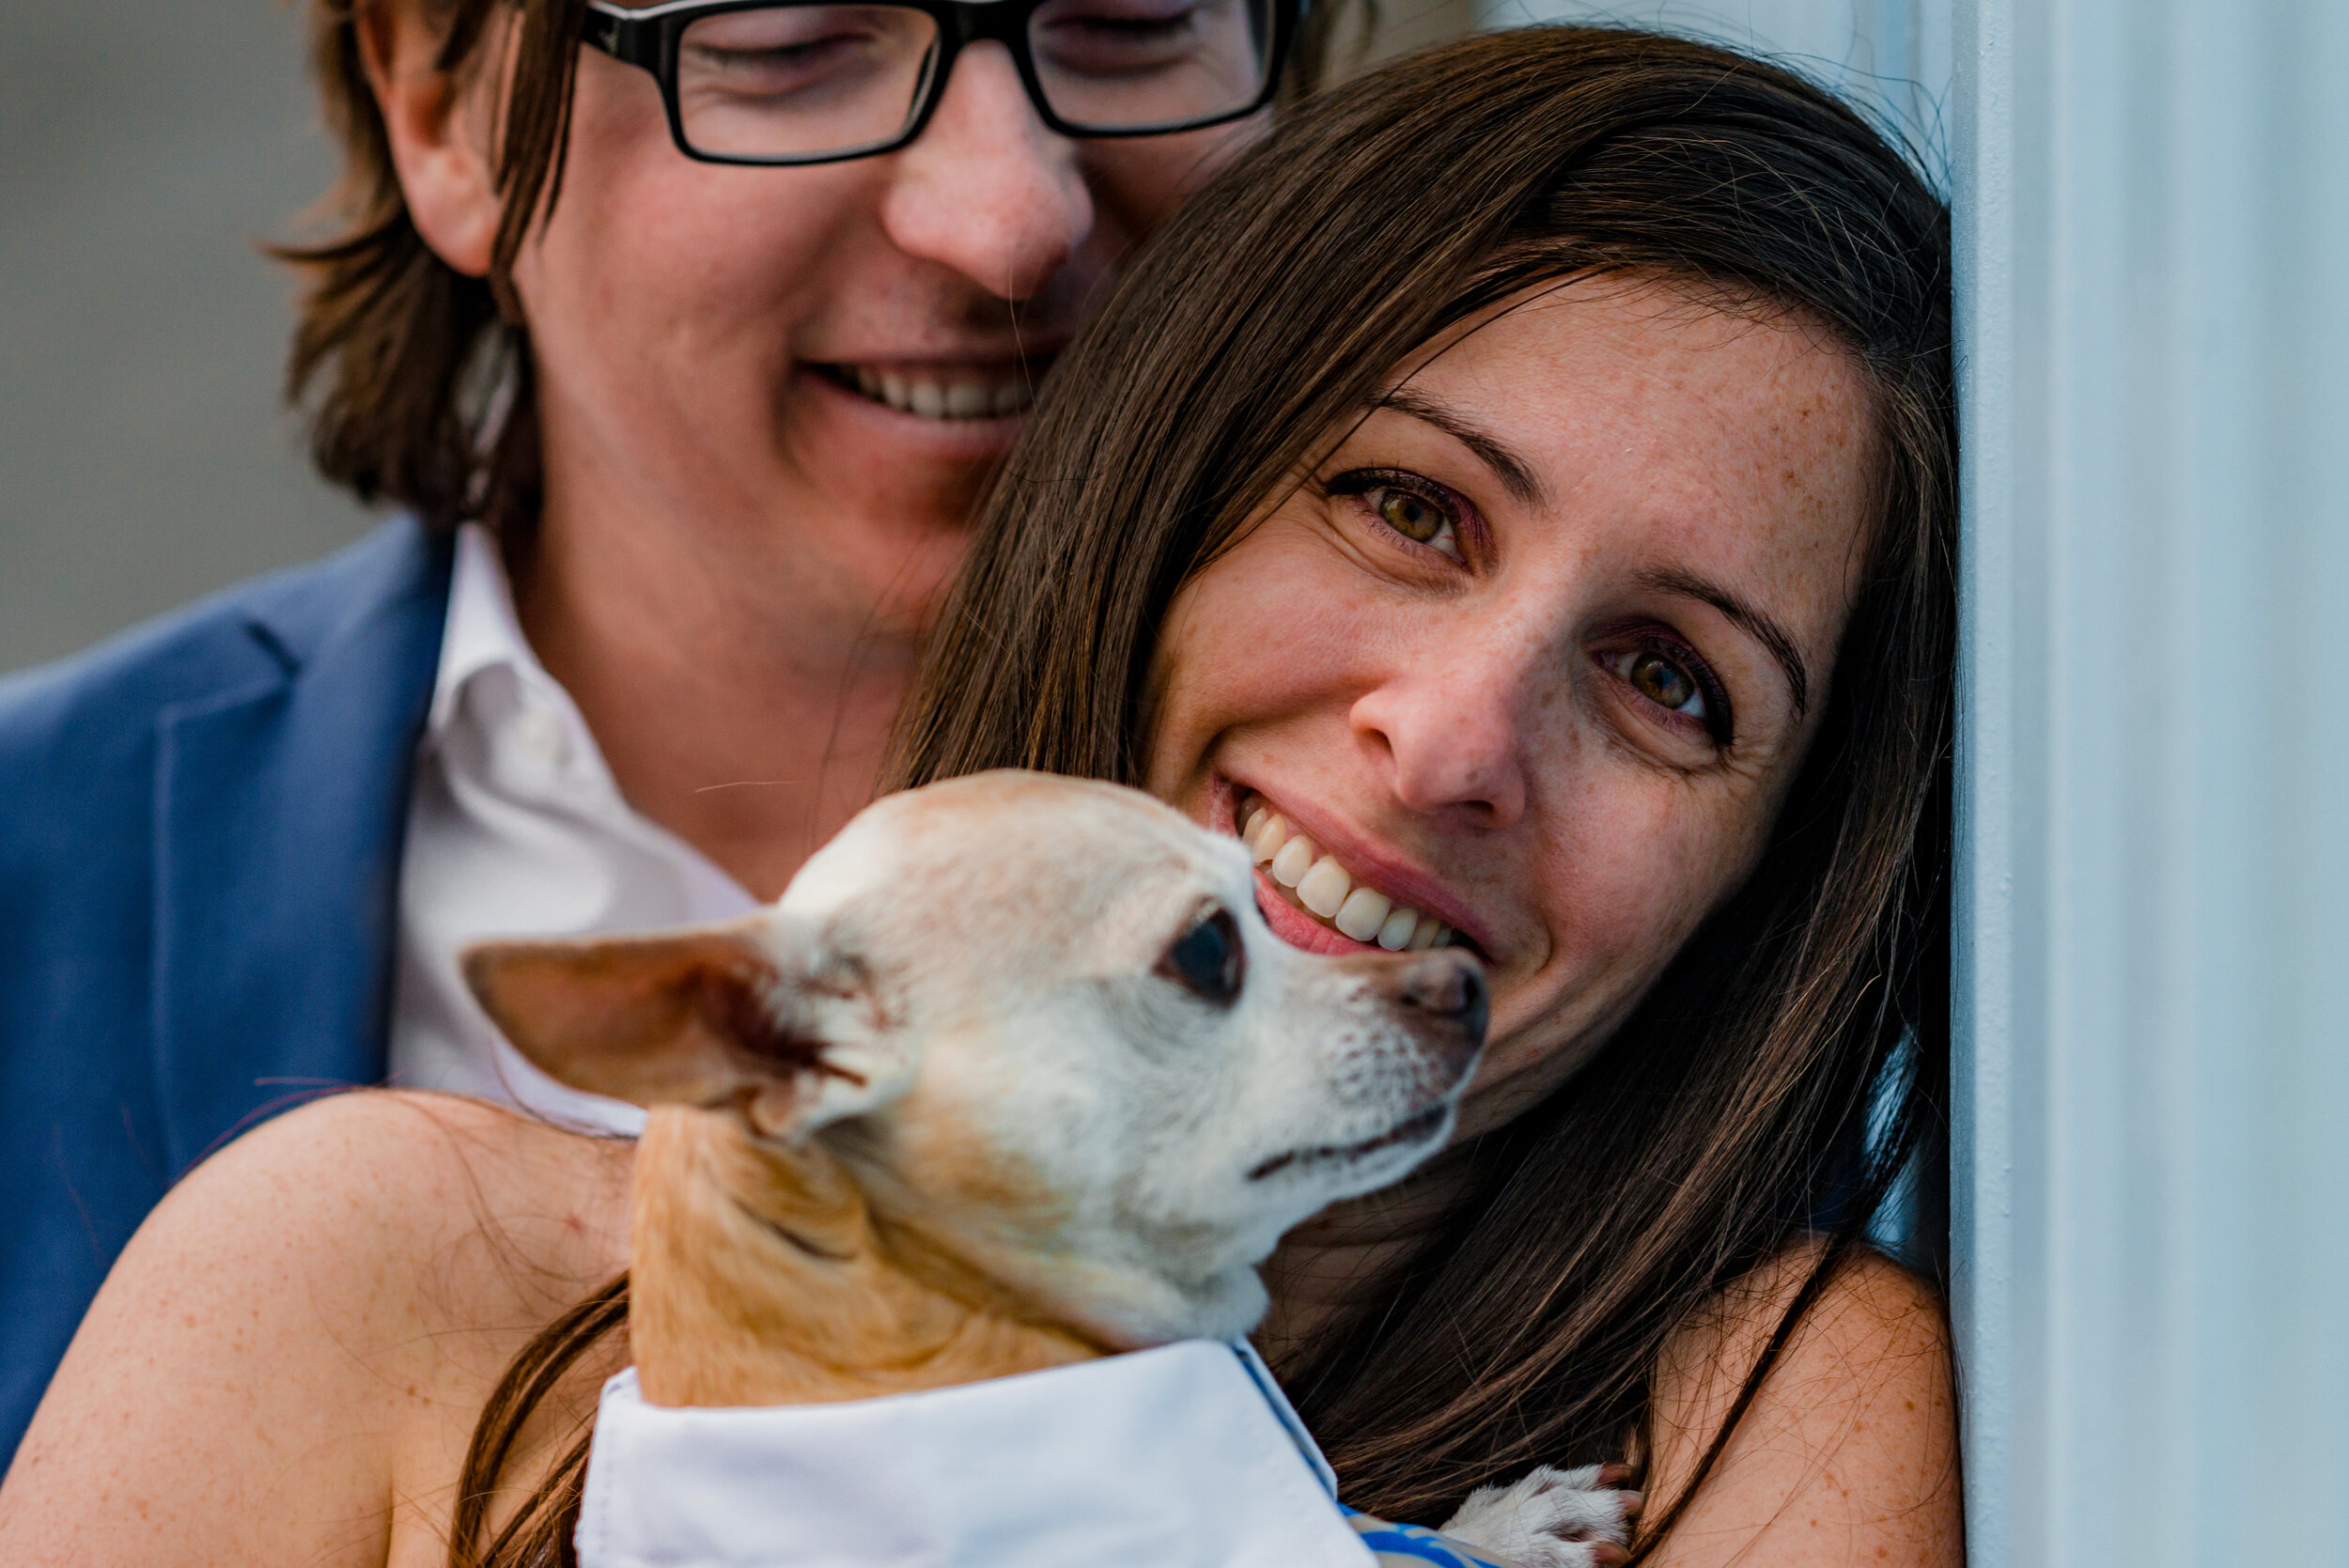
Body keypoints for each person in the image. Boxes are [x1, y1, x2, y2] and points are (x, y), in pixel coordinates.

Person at [0, 24, 1961, 1566]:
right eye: (1402, 505)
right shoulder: (370, 1266)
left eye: (1668, 681)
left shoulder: (1752, 1416)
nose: (1448, 741)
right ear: (1172, 470)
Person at [0, 0, 1309, 1463]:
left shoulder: (1500, 873)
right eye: (787, 42)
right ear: (444, 108)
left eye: (1135, 19)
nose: (1009, 221)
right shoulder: (33, 868)